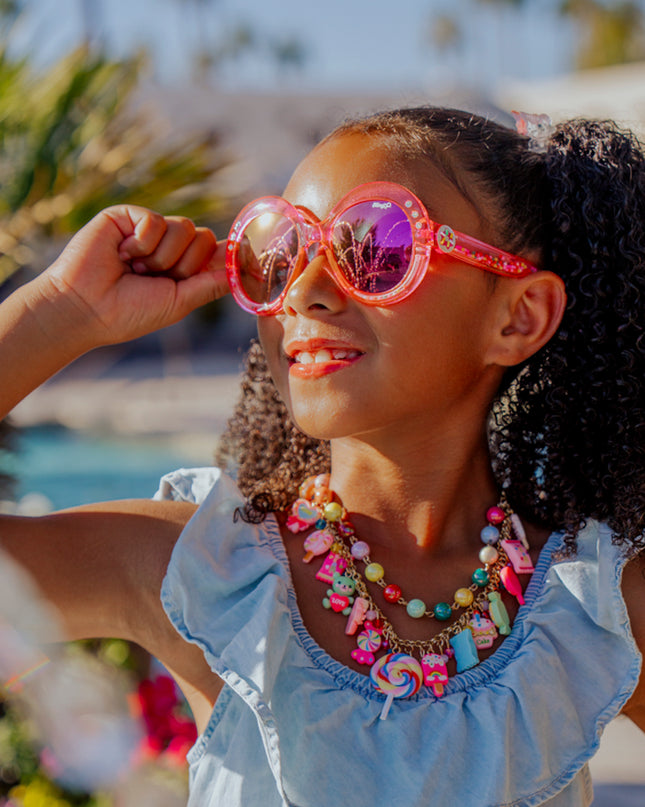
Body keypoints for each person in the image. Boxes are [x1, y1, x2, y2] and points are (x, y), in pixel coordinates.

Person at [1, 106, 645, 807]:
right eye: (280, 255)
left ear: (517, 317)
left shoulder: (594, 608)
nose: (303, 291)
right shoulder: (209, 572)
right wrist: (60, 310)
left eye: (374, 248)